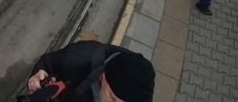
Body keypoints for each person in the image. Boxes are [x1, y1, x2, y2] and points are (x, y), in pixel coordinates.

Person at [26, 41, 155, 102]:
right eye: (112, 99)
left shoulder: (140, 82)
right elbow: (48, 62)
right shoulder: (76, 57)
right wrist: (37, 78)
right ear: (104, 76)